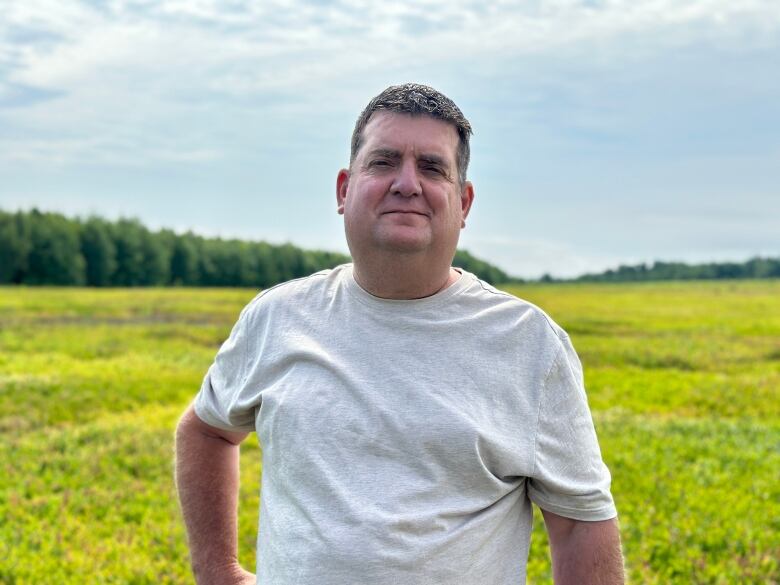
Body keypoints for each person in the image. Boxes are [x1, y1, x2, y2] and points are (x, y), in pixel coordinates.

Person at [175, 83, 624, 585]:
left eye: (432, 168)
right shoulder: (277, 317)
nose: (407, 183)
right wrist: (218, 571)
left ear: (464, 202)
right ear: (344, 190)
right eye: (384, 162)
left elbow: (580, 526)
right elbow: (207, 429)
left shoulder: (528, 344)